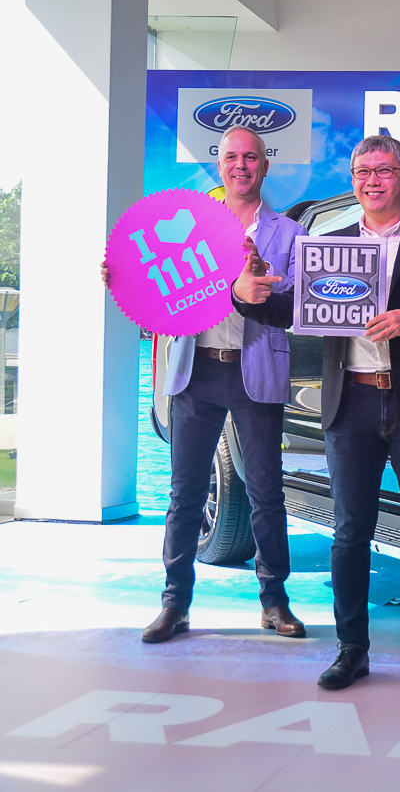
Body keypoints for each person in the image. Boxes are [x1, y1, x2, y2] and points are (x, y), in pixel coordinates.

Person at [233, 135, 400, 694]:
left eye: (384, 171)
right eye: (363, 171)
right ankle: (352, 650)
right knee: (349, 535)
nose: (372, 180)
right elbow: (293, 308)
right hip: (352, 403)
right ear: (353, 180)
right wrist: (247, 295)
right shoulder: (327, 246)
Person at [105, 125, 308, 643]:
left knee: (266, 493)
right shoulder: (190, 226)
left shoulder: (290, 234)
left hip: (256, 371)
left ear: (265, 165)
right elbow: (159, 290)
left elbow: (297, 307)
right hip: (195, 371)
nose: (241, 165)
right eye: (232, 157)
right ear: (220, 165)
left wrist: (263, 286)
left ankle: (274, 602)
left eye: (251, 157)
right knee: (185, 494)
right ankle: (175, 604)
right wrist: (124, 277)